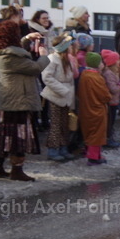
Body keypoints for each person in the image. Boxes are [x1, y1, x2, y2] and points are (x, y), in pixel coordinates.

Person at [0, 13, 49, 180]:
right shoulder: (11, 58)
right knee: (18, 136)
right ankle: (17, 170)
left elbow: (15, 48)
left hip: (8, 99)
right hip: (18, 100)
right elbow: (35, 68)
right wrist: (44, 55)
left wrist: (27, 38)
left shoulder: (0, 50)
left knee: (5, 135)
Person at [41, 34, 78, 162]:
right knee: (56, 124)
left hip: (66, 95)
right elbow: (46, 77)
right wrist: (63, 90)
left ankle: (63, 147)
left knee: (64, 123)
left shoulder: (66, 60)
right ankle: (53, 149)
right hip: (56, 95)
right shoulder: (52, 59)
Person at [78, 52, 111, 165]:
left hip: (86, 108)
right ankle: (93, 157)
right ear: (96, 64)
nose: (103, 64)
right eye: (101, 62)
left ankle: (95, 154)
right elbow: (104, 95)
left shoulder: (84, 75)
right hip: (97, 109)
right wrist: (108, 97)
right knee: (97, 134)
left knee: (90, 132)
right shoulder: (96, 77)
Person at [99, 49, 120, 148]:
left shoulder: (113, 72)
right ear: (113, 62)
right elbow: (114, 89)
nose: (119, 61)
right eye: (117, 60)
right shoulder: (109, 73)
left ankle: (110, 138)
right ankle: (108, 139)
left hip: (114, 101)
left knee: (111, 121)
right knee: (109, 122)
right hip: (110, 102)